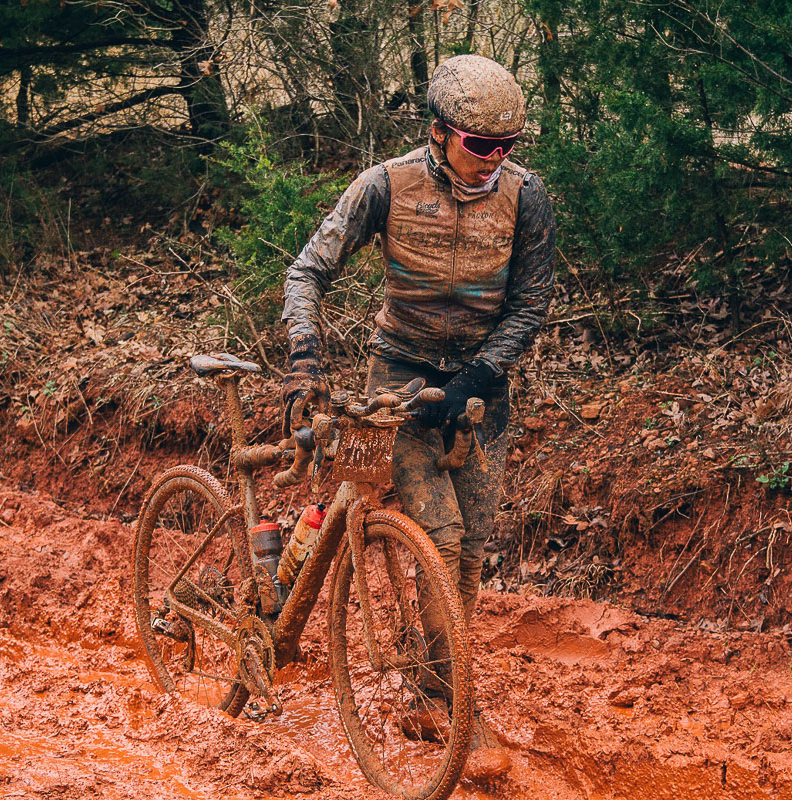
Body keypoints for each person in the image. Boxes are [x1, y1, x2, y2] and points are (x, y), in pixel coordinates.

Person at [280, 54, 555, 780]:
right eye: (481, 145)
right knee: (441, 535)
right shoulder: (385, 184)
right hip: (399, 377)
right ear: (439, 133)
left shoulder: (527, 199)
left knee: (470, 554)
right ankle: (456, 707)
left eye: (508, 147)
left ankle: (437, 689)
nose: (495, 160)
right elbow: (308, 270)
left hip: (478, 386)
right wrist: (305, 359)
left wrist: (479, 374)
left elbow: (530, 303)